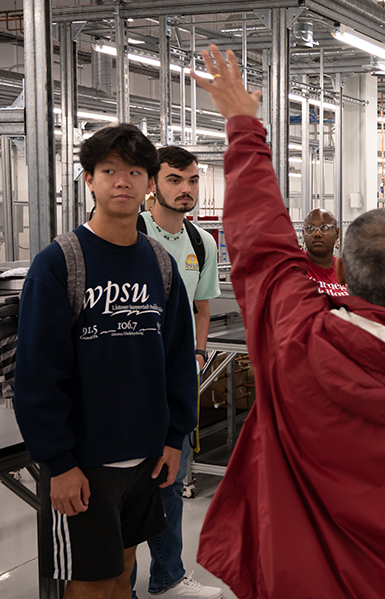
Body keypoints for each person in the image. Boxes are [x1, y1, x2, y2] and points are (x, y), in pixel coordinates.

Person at [190, 46, 385, 598]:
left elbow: (260, 239)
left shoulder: (295, 333)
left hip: (291, 578)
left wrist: (243, 124)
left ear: (344, 267)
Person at [15, 123, 198, 598]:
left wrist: (176, 435)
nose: (122, 181)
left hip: (146, 457)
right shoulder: (60, 264)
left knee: (122, 571)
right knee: (88, 585)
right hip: (87, 462)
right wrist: (58, 462)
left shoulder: (160, 264)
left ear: (149, 182)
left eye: (134, 171)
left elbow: (177, 358)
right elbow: (36, 375)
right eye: (109, 170)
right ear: (89, 179)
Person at [134, 146, 223, 599]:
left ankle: (167, 577)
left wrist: (198, 354)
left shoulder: (200, 243)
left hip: (175, 382)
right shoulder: (130, 230)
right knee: (124, 487)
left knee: (170, 480)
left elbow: (201, 308)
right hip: (128, 380)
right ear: (153, 183)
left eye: (192, 180)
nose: (185, 189)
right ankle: (118, 586)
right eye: (174, 180)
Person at [301, 208, 348, 297]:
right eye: (310, 228)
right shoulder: (294, 269)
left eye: (324, 227)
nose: (317, 234)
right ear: (304, 234)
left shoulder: (346, 271)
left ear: (337, 233)